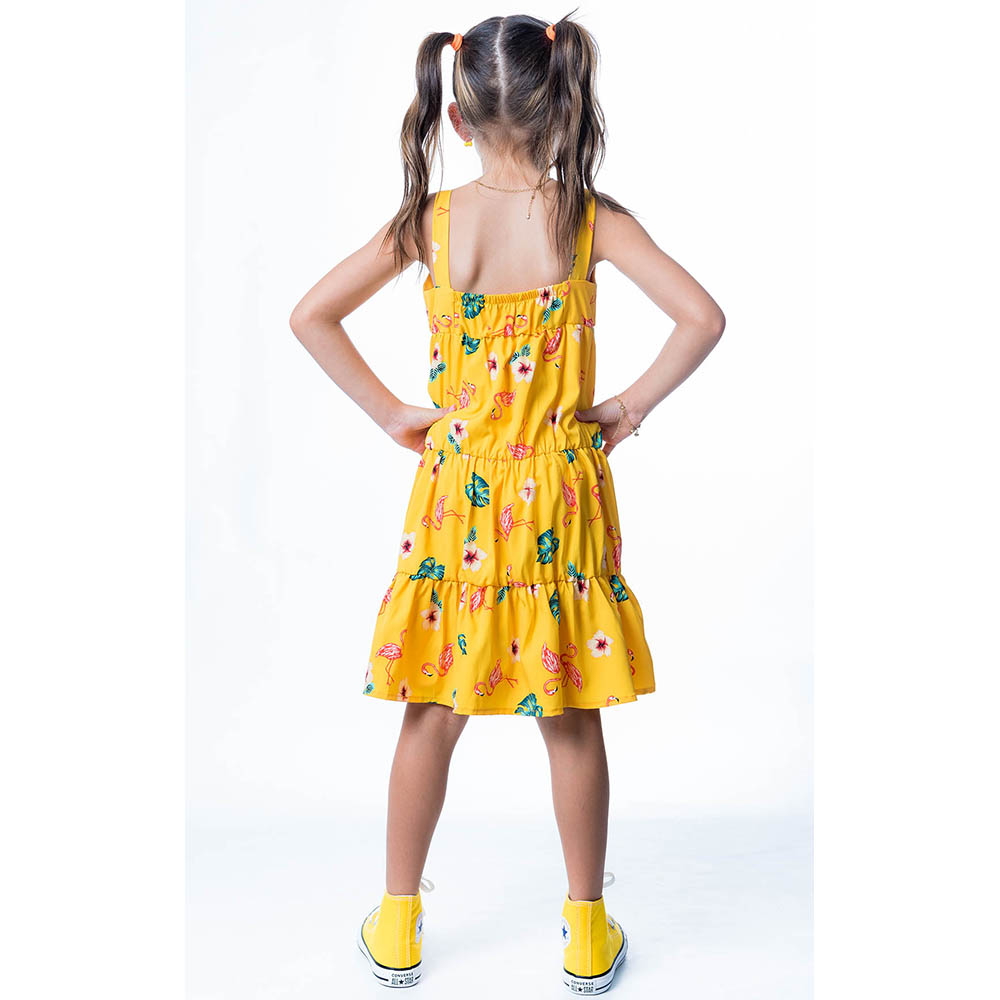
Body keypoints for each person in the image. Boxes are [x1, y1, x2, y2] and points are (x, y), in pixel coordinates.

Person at [289, 13, 724, 993]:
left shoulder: (431, 223)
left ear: (456, 116)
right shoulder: (590, 221)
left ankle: (397, 924)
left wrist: (394, 414)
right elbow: (702, 318)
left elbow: (310, 314)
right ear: (560, 104)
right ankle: (586, 934)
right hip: (560, 493)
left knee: (430, 706)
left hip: (459, 494)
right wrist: (625, 409)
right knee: (568, 712)